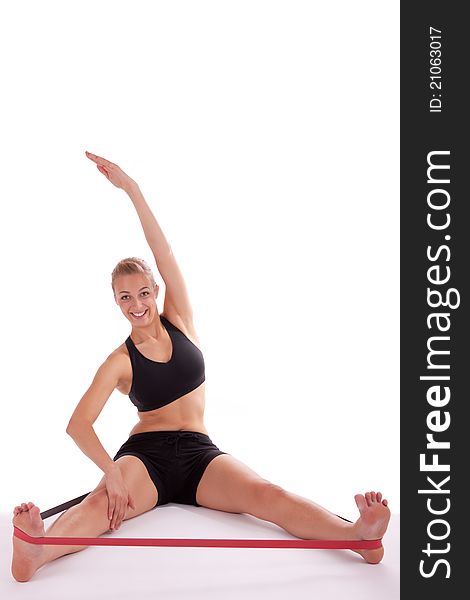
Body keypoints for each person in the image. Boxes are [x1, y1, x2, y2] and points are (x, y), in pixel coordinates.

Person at [11, 151, 391, 582]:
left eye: (142, 293)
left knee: (266, 494)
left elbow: (164, 250)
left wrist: (131, 189)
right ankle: (35, 553)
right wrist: (112, 473)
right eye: (124, 298)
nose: (136, 305)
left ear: (155, 290)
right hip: (145, 459)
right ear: (116, 302)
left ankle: (357, 535)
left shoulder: (181, 321)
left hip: (198, 453)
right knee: (102, 505)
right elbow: (78, 424)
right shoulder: (119, 361)